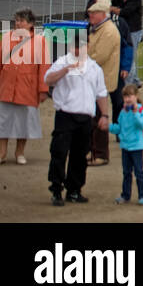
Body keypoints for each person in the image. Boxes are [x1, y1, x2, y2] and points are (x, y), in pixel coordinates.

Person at [44, 36, 111, 206]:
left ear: (87, 47)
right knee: (59, 152)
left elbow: (101, 93)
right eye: (74, 48)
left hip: (85, 116)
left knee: (80, 155)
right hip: (65, 114)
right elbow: (48, 80)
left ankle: (74, 190)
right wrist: (65, 70)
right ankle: (56, 189)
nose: (77, 51)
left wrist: (104, 115)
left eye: (81, 47)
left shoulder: (95, 68)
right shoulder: (61, 62)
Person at [0, 8, 49, 166]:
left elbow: (44, 66)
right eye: (16, 20)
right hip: (7, 86)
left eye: (21, 20)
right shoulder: (7, 38)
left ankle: (19, 152)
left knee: (24, 122)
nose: (18, 23)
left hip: (27, 88)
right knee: (3, 121)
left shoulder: (39, 41)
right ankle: (1, 153)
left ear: (30, 24)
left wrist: (43, 89)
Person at [86, 0, 123, 167]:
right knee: (92, 118)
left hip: (101, 81)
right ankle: (93, 151)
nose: (90, 16)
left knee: (100, 118)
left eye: (94, 13)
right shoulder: (98, 29)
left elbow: (99, 56)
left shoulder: (107, 31)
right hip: (95, 79)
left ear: (103, 14)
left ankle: (101, 154)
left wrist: (82, 60)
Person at [109, 83, 143, 205]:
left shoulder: (142, 111)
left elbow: (142, 125)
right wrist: (109, 127)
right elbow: (119, 128)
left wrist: (136, 112)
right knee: (126, 172)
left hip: (137, 147)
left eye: (130, 96)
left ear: (136, 96)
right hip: (125, 147)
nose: (127, 99)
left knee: (139, 172)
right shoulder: (123, 112)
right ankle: (125, 195)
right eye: (125, 96)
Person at [111, 0, 143, 86]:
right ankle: (135, 80)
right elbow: (116, 0)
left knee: (130, 56)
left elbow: (126, 12)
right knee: (130, 55)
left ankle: (129, 82)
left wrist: (112, 9)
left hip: (134, 30)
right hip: (127, 30)